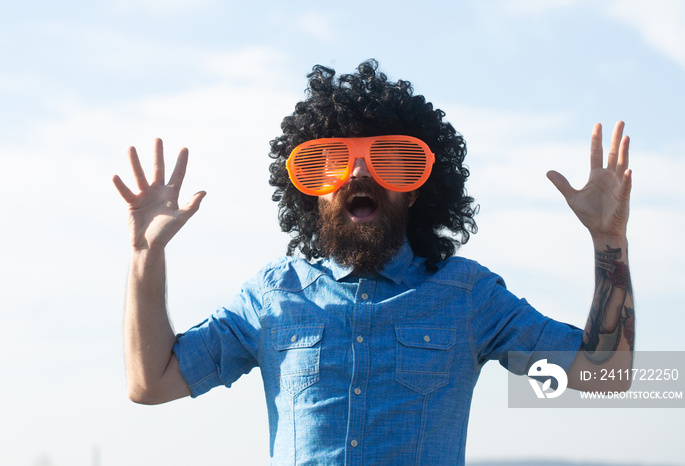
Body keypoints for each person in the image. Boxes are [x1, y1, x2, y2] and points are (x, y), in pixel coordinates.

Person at [113, 60, 634, 465]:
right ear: (311, 195)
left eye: (391, 160)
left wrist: (609, 240)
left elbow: (606, 376)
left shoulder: (468, 295)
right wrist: (146, 253)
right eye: (330, 163)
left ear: (416, 192)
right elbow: (151, 382)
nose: (359, 172)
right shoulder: (273, 296)